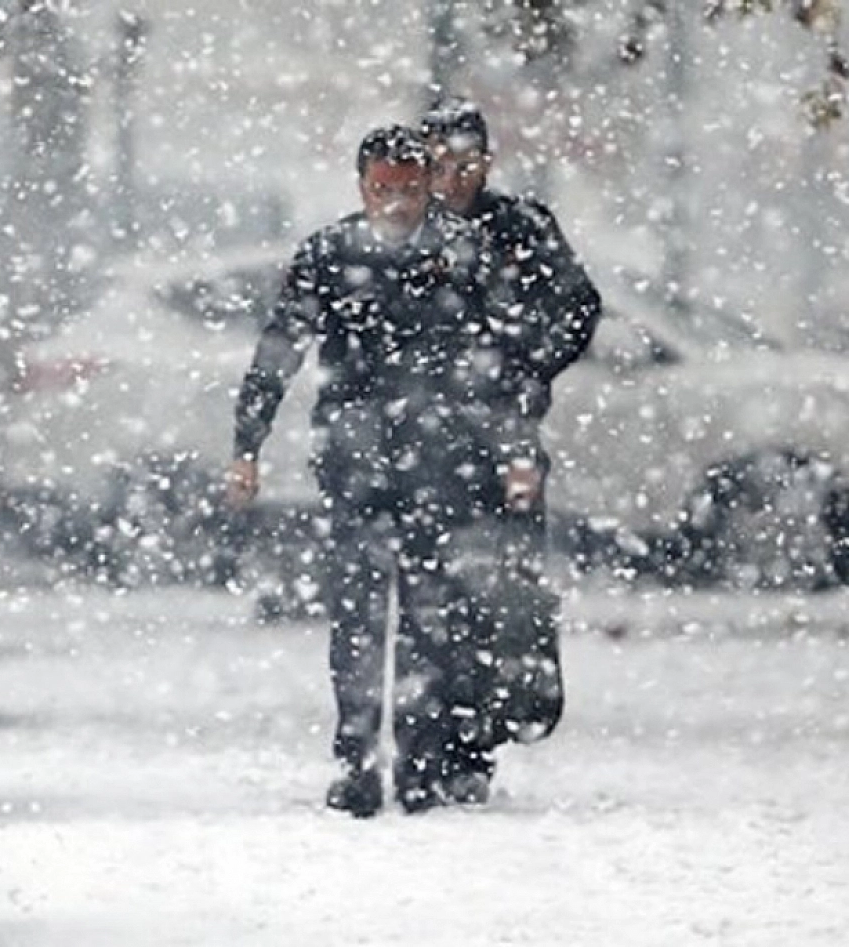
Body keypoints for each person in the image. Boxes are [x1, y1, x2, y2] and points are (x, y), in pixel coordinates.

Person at [226, 124, 500, 817]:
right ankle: (358, 759)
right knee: (357, 617)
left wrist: (504, 448)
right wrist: (248, 442)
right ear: (362, 187)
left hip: (440, 464)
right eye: (384, 190)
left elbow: (497, 361)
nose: (398, 203)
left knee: (431, 618)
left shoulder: (461, 254)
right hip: (357, 463)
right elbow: (280, 347)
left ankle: (420, 758)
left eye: (409, 189)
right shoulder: (330, 253)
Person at [418, 97, 603, 751]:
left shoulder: (521, 226)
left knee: (510, 574)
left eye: (467, 161)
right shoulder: (406, 231)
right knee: (431, 575)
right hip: (425, 436)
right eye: (442, 162)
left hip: (506, 429)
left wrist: (532, 368)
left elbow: (578, 304)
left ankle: (502, 709)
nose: (455, 176)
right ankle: (441, 715)